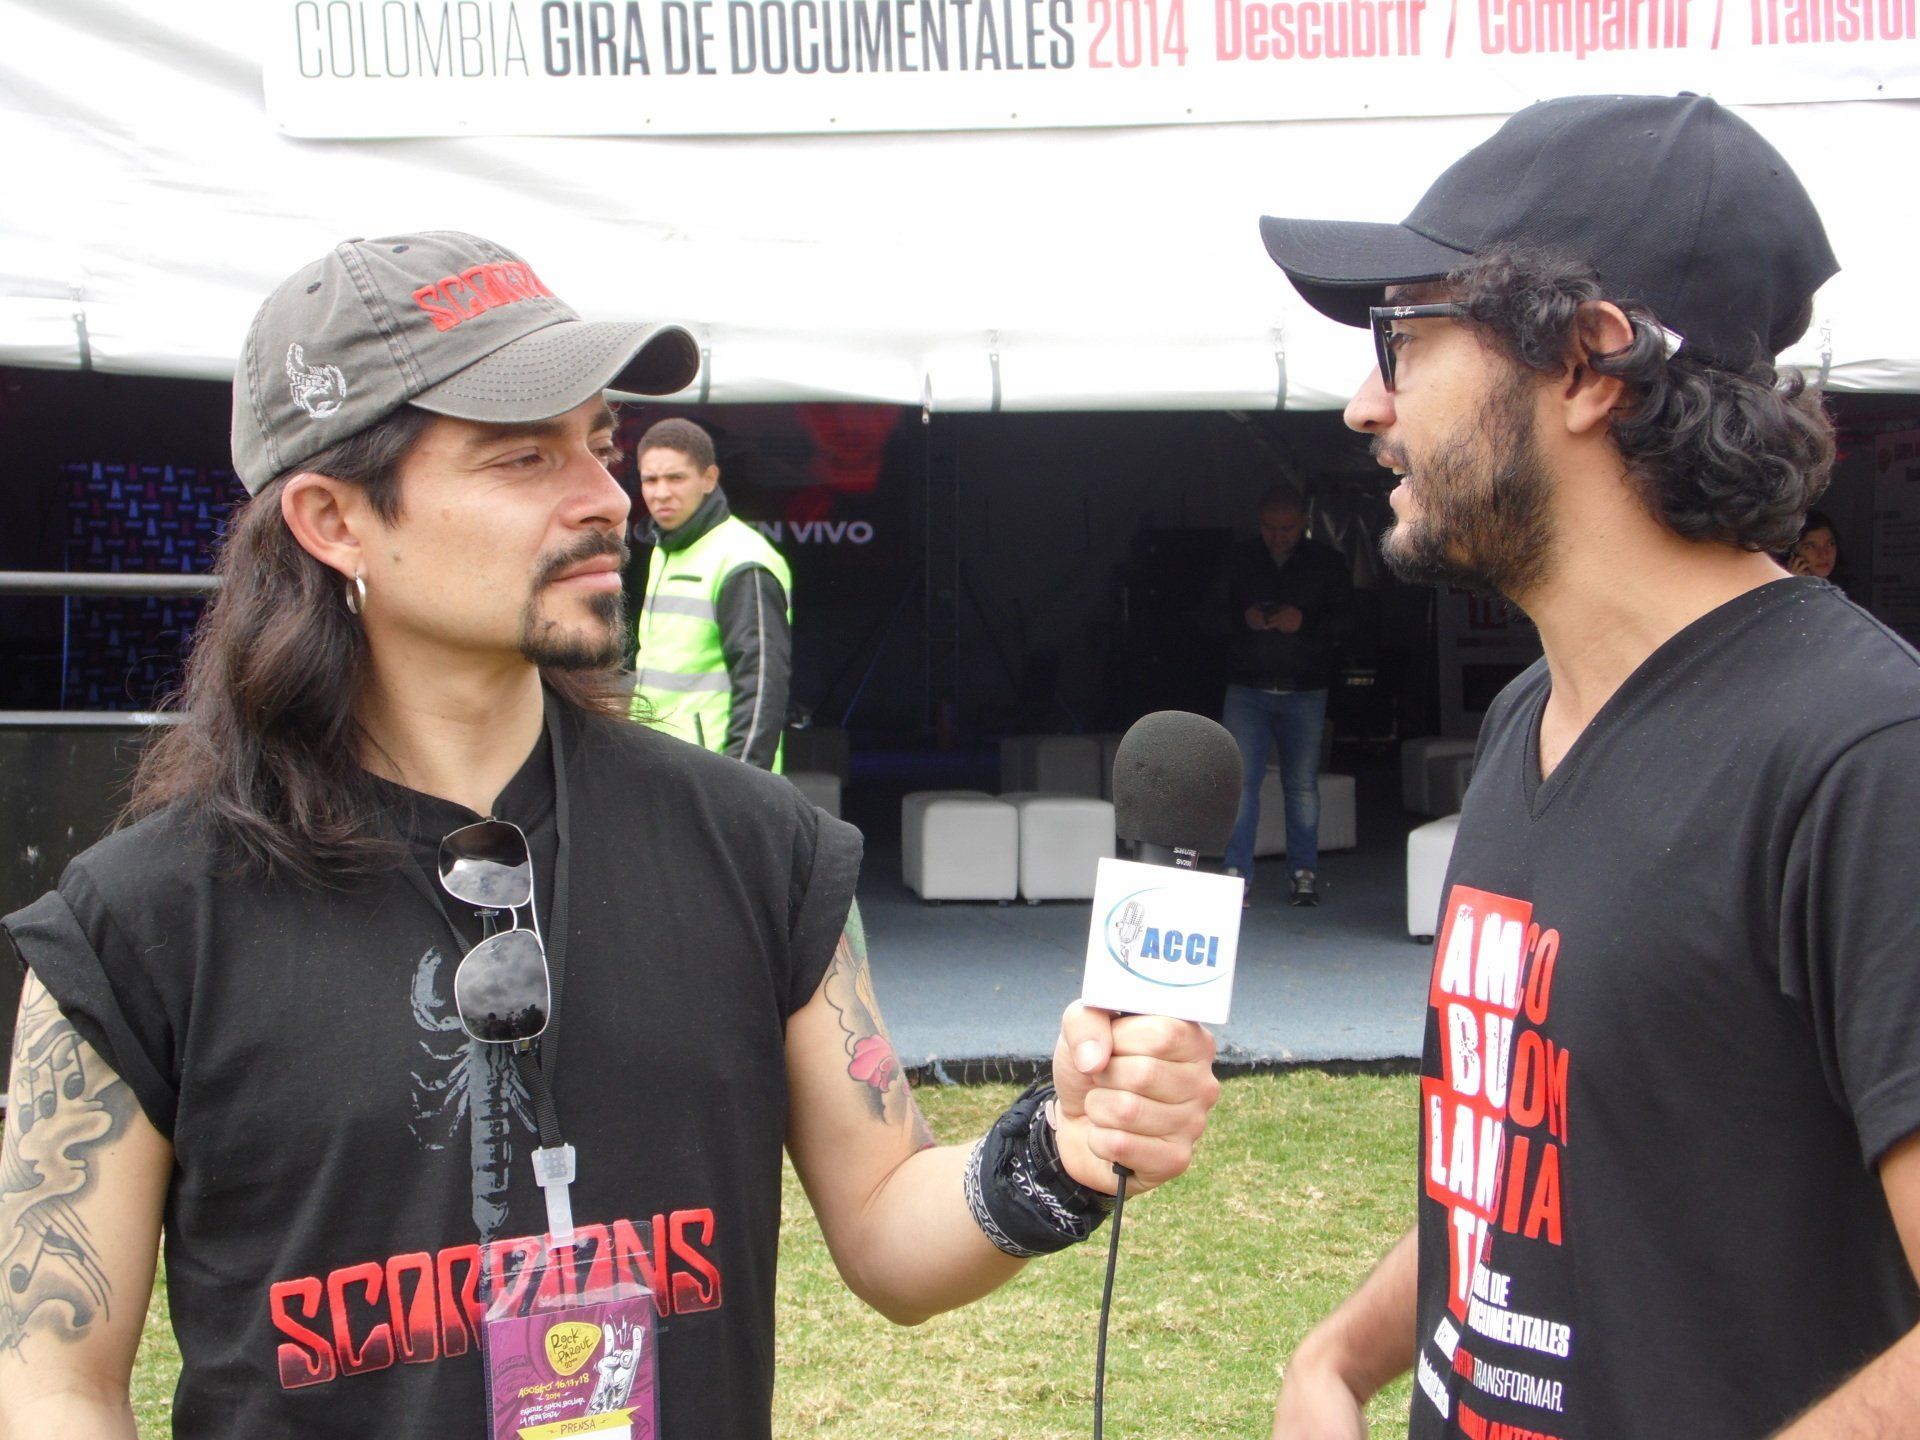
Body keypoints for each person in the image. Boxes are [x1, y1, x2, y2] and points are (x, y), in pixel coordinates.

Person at [0, 232, 1221, 1440]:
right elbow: (52, 1383)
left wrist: (1057, 1150)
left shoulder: (755, 847)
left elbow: (890, 1227)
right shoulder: (144, 923)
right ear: (333, 519)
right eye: (521, 458)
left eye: (598, 443)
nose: (605, 497)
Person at [1259, 95, 1920, 1439]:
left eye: (1404, 335)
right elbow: (1532, 1177)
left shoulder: (1865, 763)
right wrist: (1334, 1360)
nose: (1363, 401)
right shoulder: (1530, 718)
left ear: (1587, 362)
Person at [630, 418, 792, 770]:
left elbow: (762, 685)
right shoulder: (665, 548)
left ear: (709, 478)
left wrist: (743, 786)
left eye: (676, 478)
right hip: (660, 766)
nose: (660, 492)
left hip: (715, 777)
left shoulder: (742, 558)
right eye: (650, 480)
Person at [1221, 483, 1354, 907]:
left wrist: (1306, 622)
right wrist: (1242, 618)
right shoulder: (1239, 559)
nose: (1278, 536)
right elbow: (1204, 615)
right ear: (1258, 524)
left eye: (1287, 529)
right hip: (1248, 686)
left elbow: (1351, 622)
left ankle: (1303, 872)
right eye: (1270, 528)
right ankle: (1236, 874)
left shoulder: (1328, 564)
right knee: (1242, 784)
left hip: (1304, 689)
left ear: (1304, 525)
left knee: (1301, 785)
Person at [1788, 507, 1856, 599]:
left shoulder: (1847, 591)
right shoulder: (1779, 593)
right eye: (1811, 547)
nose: (1824, 554)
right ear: (1794, 553)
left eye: (1830, 544)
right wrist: (1795, 587)